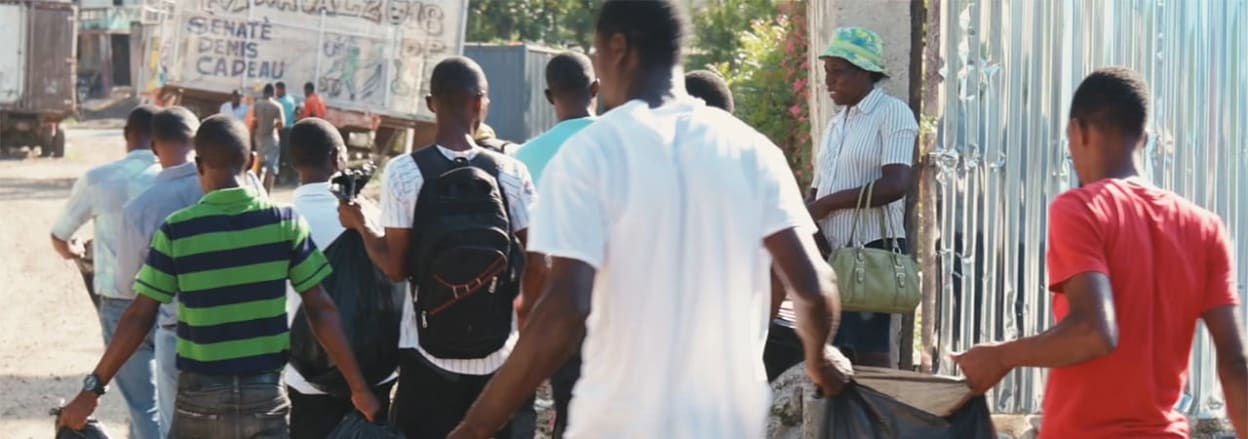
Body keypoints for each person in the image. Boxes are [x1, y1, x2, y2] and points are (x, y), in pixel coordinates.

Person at [448, 2, 850, 438]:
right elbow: (814, 286)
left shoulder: (592, 153)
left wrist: (474, 429)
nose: (597, 71)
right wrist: (819, 356)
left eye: (597, 52)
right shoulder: (754, 152)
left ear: (618, 47)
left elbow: (565, 307)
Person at [955, 67, 1247, 439]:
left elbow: (1094, 332)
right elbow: (1235, 364)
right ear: (1143, 138)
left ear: (1078, 131)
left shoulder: (1081, 209)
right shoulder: (1205, 227)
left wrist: (1001, 356)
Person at [56, 115, 382, 438]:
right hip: (265, 399)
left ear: (199, 165)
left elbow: (139, 315)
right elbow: (321, 309)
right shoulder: (285, 223)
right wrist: (359, 388)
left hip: (200, 400)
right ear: (252, 161)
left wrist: (92, 389)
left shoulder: (177, 230)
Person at [338, 57, 536, 439]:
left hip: (425, 354)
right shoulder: (511, 172)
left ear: (431, 103)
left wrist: (362, 224)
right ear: (481, 104)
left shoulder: (404, 172)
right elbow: (539, 258)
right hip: (498, 354)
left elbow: (394, 268)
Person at [114, 107, 266, 437]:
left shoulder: (142, 209)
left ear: (155, 147)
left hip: (180, 339)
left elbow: (127, 288)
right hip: (252, 339)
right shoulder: (247, 183)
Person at [805, 26, 919, 368]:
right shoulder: (836, 124)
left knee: (869, 353)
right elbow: (819, 185)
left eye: (838, 72)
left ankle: (884, 420)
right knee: (835, 350)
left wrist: (826, 205)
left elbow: (895, 184)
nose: (830, 81)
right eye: (827, 73)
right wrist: (812, 219)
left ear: (865, 72)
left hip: (870, 249)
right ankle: (844, 422)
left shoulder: (892, 113)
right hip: (832, 251)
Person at [50, 105, 162, 439]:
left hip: (121, 305)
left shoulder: (98, 179)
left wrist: (72, 252)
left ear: (127, 135)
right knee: (169, 399)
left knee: (142, 404)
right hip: (174, 303)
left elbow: (60, 235)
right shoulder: (181, 179)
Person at [284, 118, 399, 439]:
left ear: (294, 163)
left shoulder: (284, 222)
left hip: (308, 378)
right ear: (338, 157)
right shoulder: (371, 216)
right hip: (376, 375)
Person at [511, 50, 598, 439]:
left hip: (559, 301)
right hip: (620, 301)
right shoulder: (624, 142)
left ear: (550, 97)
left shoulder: (523, 158)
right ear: (595, 88)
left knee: (567, 405)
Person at [252, 84, 287, 193]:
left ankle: (256, 190)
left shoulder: (257, 104)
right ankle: (266, 192)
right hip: (271, 138)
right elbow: (282, 124)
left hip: (259, 137)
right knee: (271, 167)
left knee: (258, 165)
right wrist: (274, 124)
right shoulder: (276, 106)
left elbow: (254, 121)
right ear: (273, 92)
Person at [275, 81, 299, 180]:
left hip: (285, 130)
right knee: (287, 153)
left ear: (282, 89)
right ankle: (290, 176)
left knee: (283, 153)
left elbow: (282, 119)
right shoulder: (290, 100)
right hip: (289, 129)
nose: (276, 92)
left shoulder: (283, 102)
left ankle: (286, 177)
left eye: (277, 90)